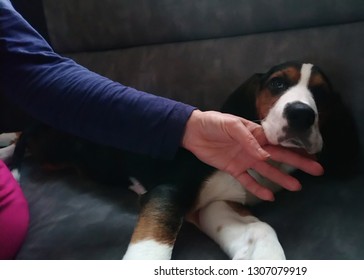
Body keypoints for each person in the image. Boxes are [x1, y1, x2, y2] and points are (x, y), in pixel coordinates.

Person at [0, 0, 324, 259]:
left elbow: (32, 69)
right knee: (49, 149)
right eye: (279, 84)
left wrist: (256, 240)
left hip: (99, 135)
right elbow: (171, 195)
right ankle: (18, 141)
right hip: (86, 149)